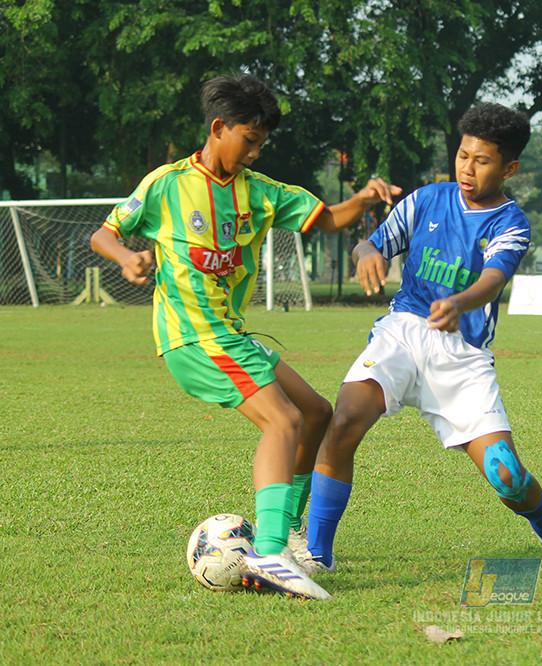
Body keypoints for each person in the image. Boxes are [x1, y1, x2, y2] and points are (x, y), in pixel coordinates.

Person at [90, 74, 400, 600]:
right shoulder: (166, 184)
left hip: (232, 335)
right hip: (194, 336)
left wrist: (365, 197)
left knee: (316, 411)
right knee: (284, 420)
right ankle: (272, 554)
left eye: (261, 144)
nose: (255, 152)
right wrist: (128, 258)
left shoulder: (258, 194)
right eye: (249, 140)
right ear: (218, 128)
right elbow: (105, 233)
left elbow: (326, 220)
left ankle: (290, 536)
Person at [302, 102, 542, 574]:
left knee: (506, 474)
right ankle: (318, 554)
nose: (467, 168)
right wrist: (365, 251)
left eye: (482, 160)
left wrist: (459, 303)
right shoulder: (426, 200)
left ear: (509, 167)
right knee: (344, 421)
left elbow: (493, 280)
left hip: (462, 355)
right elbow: (372, 241)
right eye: (463, 155)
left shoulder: (511, 223)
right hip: (402, 333)